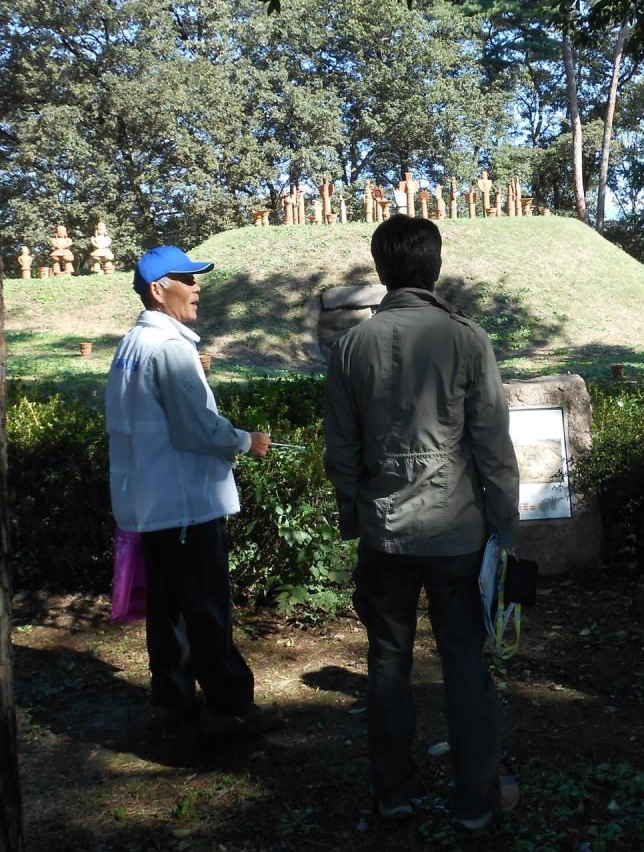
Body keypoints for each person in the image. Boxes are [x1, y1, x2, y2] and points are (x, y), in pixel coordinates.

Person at [323, 214, 521, 831]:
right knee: (465, 660)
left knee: (387, 660)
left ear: (381, 270)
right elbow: (492, 444)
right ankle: (475, 798)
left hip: (385, 533)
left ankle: (393, 792)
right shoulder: (467, 340)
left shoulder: (352, 345)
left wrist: (354, 514)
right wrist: (504, 525)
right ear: (434, 268)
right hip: (458, 533)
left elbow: (341, 449)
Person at [105, 244, 283, 737]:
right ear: (159, 289)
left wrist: (193, 375)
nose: (197, 286)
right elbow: (196, 430)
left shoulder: (132, 345)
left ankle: (173, 704)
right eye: (187, 278)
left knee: (169, 612)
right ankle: (231, 706)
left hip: (151, 505)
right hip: (185, 504)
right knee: (206, 608)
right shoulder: (168, 347)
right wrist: (248, 441)